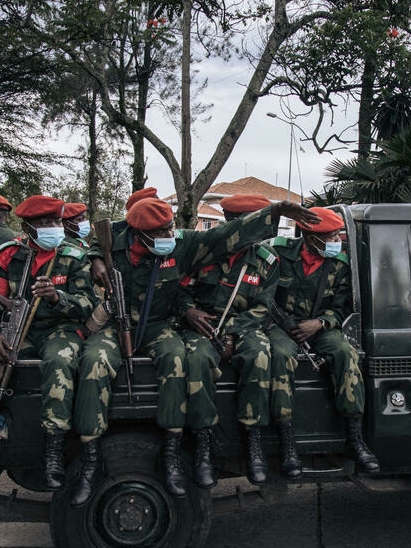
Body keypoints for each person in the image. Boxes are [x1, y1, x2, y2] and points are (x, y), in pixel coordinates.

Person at [74, 197, 317, 505]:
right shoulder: (117, 241)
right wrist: (96, 256)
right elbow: (97, 240)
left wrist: (274, 213)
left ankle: (172, 453)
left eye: (170, 226)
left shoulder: (181, 243)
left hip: (157, 324)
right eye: (161, 230)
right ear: (139, 233)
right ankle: (90, 460)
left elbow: (222, 236)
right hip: (115, 324)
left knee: (178, 358)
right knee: (93, 362)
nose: (169, 234)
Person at [0, 195, 98, 494]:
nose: (53, 228)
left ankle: (53, 450)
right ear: (27, 227)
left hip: (60, 329)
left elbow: (88, 305)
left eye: (56, 222)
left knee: (60, 362)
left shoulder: (74, 255)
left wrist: (58, 297)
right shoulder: (10, 254)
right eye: (44, 223)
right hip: (18, 330)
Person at [178, 194, 295, 485]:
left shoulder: (266, 260)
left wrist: (231, 332)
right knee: (197, 359)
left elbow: (263, 306)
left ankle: (253, 440)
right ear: (232, 225)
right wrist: (188, 310)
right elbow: (178, 289)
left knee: (259, 355)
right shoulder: (203, 253)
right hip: (201, 324)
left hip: (245, 325)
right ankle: (203, 443)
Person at [267, 207, 380, 474]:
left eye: (336, 236)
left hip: (320, 326)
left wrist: (319, 323)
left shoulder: (339, 264)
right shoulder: (280, 254)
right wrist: (285, 323)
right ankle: (287, 442)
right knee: (281, 356)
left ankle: (354, 439)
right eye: (329, 237)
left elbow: (342, 306)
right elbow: (263, 293)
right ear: (309, 237)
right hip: (282, 326)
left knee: (345, 352)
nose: (336, 242)